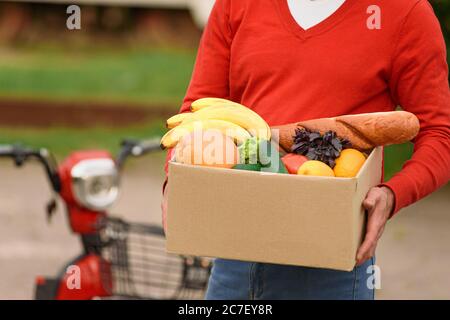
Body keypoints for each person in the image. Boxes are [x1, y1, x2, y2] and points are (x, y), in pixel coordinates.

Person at [161, 0, 450, 300]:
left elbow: (440, 135)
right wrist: (175, 181)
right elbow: (197, 111)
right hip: (236, 251)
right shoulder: (237, 4)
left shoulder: (404, 11)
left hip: (330, 265)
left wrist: (392, 194)